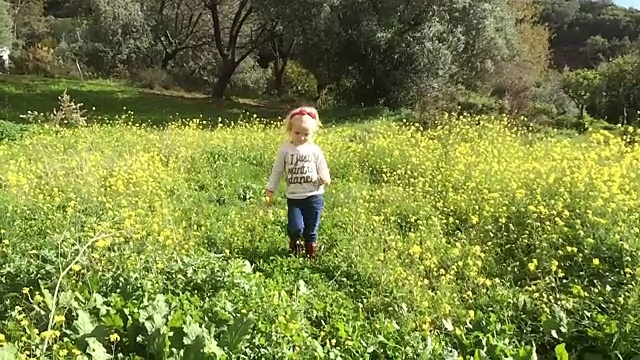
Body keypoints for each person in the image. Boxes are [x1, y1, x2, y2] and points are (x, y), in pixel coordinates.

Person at [265, 106, 331, 259]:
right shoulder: (285, 150)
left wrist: (325, 178)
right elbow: (277, 171)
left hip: (314, 195)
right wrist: (270, 189)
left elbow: (323, 169)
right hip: (294, 197)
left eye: (306, 134)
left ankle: (310, 253)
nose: (301, 137)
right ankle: (295, 246)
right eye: (297, 133)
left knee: (311, 227)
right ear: (290, 130)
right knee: (295, 227)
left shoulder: (315, 150)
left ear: (312, 133)